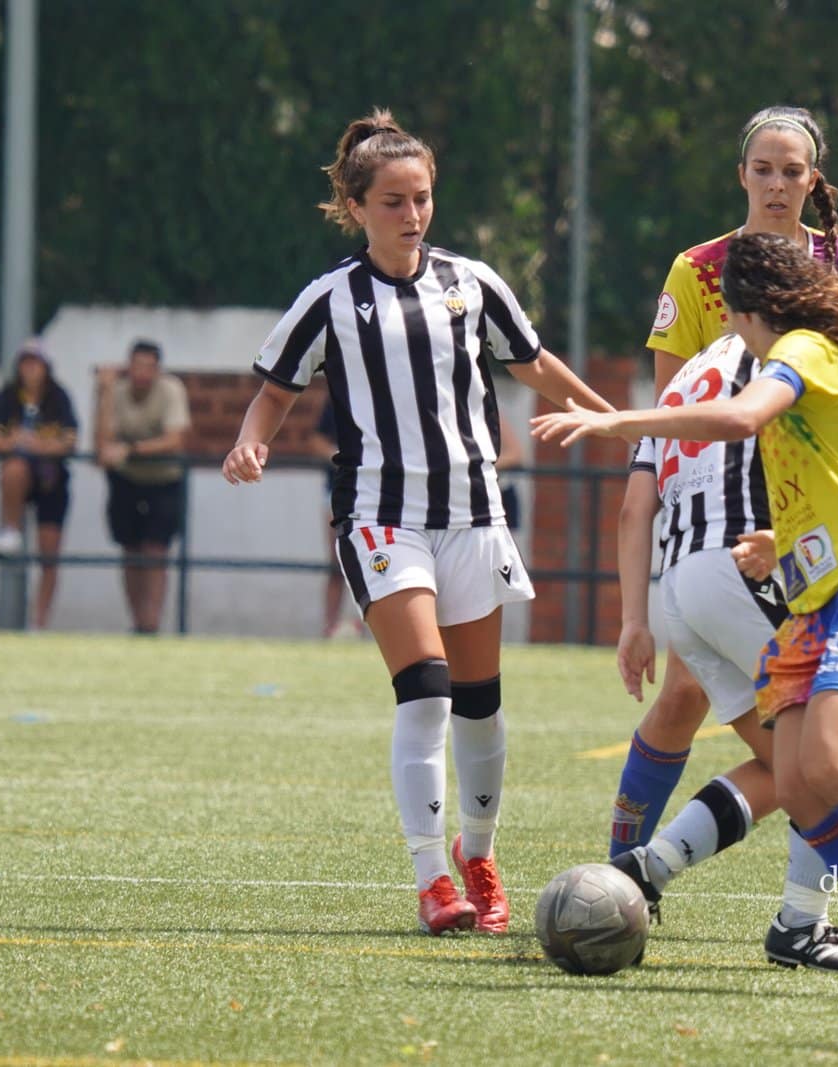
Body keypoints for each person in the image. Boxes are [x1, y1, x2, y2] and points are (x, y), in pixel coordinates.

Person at [535, 232, 838, 1000]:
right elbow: (836, 480)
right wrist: (777, 540)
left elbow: (740, 420)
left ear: (746, 310)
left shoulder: (802, 349)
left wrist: (618, 422)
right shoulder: (801, 362)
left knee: (833, 766)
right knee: (797, 781)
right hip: (822, 597)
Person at [222, 109, 612, 936]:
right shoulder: (331, 297)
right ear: (356, 206)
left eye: (423, 198)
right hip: (379, 517)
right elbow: (276, 389)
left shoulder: (472, 283)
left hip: (472, 513)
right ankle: (433, 876)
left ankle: (480, 855)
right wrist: (251, 441)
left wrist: (611, 417)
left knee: (480, 703)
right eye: (393, 201)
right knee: (426, 689)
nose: (412, 214)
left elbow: (532, 361)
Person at [608, 105, 838, 861]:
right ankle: (630, 869)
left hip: (811, 508)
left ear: (813, 180)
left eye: (791, 171)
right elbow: (673, 410)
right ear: (741, 175)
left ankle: (804, 901)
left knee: (818, 736)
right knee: (697, 700)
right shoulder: (698, 269)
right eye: (763, 170)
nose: (776, 184)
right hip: (728, 513)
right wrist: (660, 551)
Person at [609, 333, 838, 973]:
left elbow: (633, 510)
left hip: (682, 589)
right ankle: (805, 923)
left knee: (786, 765)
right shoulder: (784, 357)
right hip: (744, 568)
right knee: (836, 751)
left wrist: (634, 620)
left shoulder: (682, 382)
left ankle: (649, 867)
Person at [96, 340, 190, 634]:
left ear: (158, 370)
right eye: (138, 366)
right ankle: (137, 623)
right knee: (131, 551)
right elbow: (102, 447)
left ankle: (152, 623)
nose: (143, 374)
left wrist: (131, 450)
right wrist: (105, 392)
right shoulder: (115, 392)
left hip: (165, 480)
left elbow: (176, 440)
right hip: (126, 480)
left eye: (149, 367)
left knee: (156, 550)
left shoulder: (171, 390)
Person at [0, 338, 79, 629]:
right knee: (14, 468)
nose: (30, 369)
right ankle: (10, 530)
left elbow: (70, 441)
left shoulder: (58, 397)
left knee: (49, 554)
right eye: (26, 363)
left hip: (52, 480)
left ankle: (40, 622)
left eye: (36, 363)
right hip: (20, 476)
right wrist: (16, 443)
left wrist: (36, 444)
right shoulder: (7, 395)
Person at [307, 399, 361, 639]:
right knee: (338, 561)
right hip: (340, 492)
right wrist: (343, 458)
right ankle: (330, 628)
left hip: (384, 494)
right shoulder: (341, 397)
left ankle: (372, 627)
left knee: (377, 564)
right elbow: (316, 441)